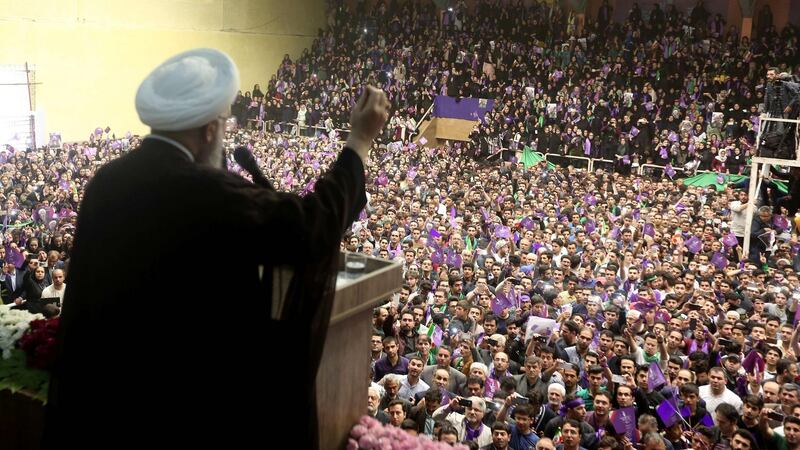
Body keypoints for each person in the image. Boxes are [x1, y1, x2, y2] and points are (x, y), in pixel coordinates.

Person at [43, 48, 390, 449]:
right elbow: (311, 228)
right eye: (224, 123)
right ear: (210, 129)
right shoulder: (205, 191)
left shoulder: (107, 181)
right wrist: (359, 142)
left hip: (101, 407)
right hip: (178, 410)